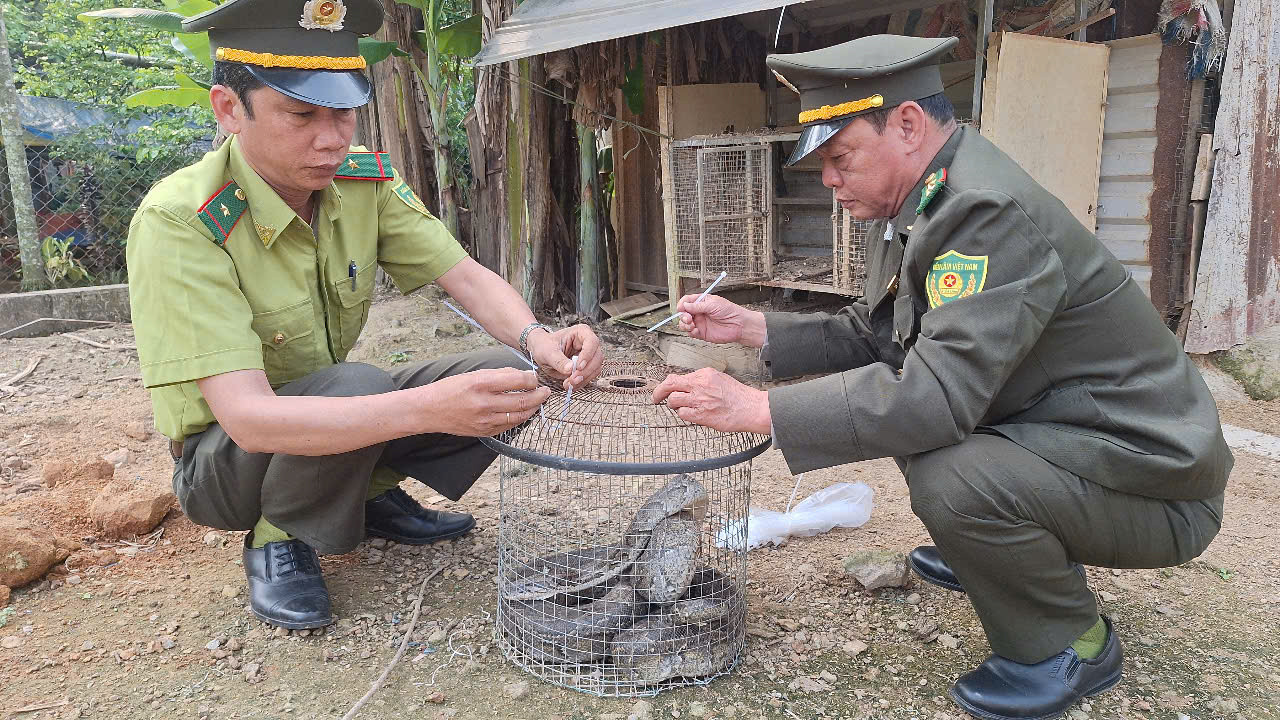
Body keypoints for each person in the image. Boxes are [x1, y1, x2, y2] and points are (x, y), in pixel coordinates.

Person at [652, 34, 1232, 720]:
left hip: (1156, 486)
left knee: (950, 470)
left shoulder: (982, 211)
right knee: (912, 421)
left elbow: (932, 398)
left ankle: (1070, 644)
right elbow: (881, 336)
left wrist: (761, 411)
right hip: (1080, 442)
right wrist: (750, 328)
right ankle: (1002, 556)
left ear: (906, 124)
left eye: (841, 159)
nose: (829, 181)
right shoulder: (923, 201)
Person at [125, 0, 603, 631]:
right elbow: (248, 418)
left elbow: (461, 275)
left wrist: (539, 340)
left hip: (330, 423)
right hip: (226, 463)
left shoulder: (361, 182)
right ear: (228, 109)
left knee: (508, 370)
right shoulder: (183, 222)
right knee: (359, 385)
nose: (331, 138)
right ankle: (278, 538)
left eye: (344, 112)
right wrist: (430, 407)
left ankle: (365, 496)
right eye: (301, 115)